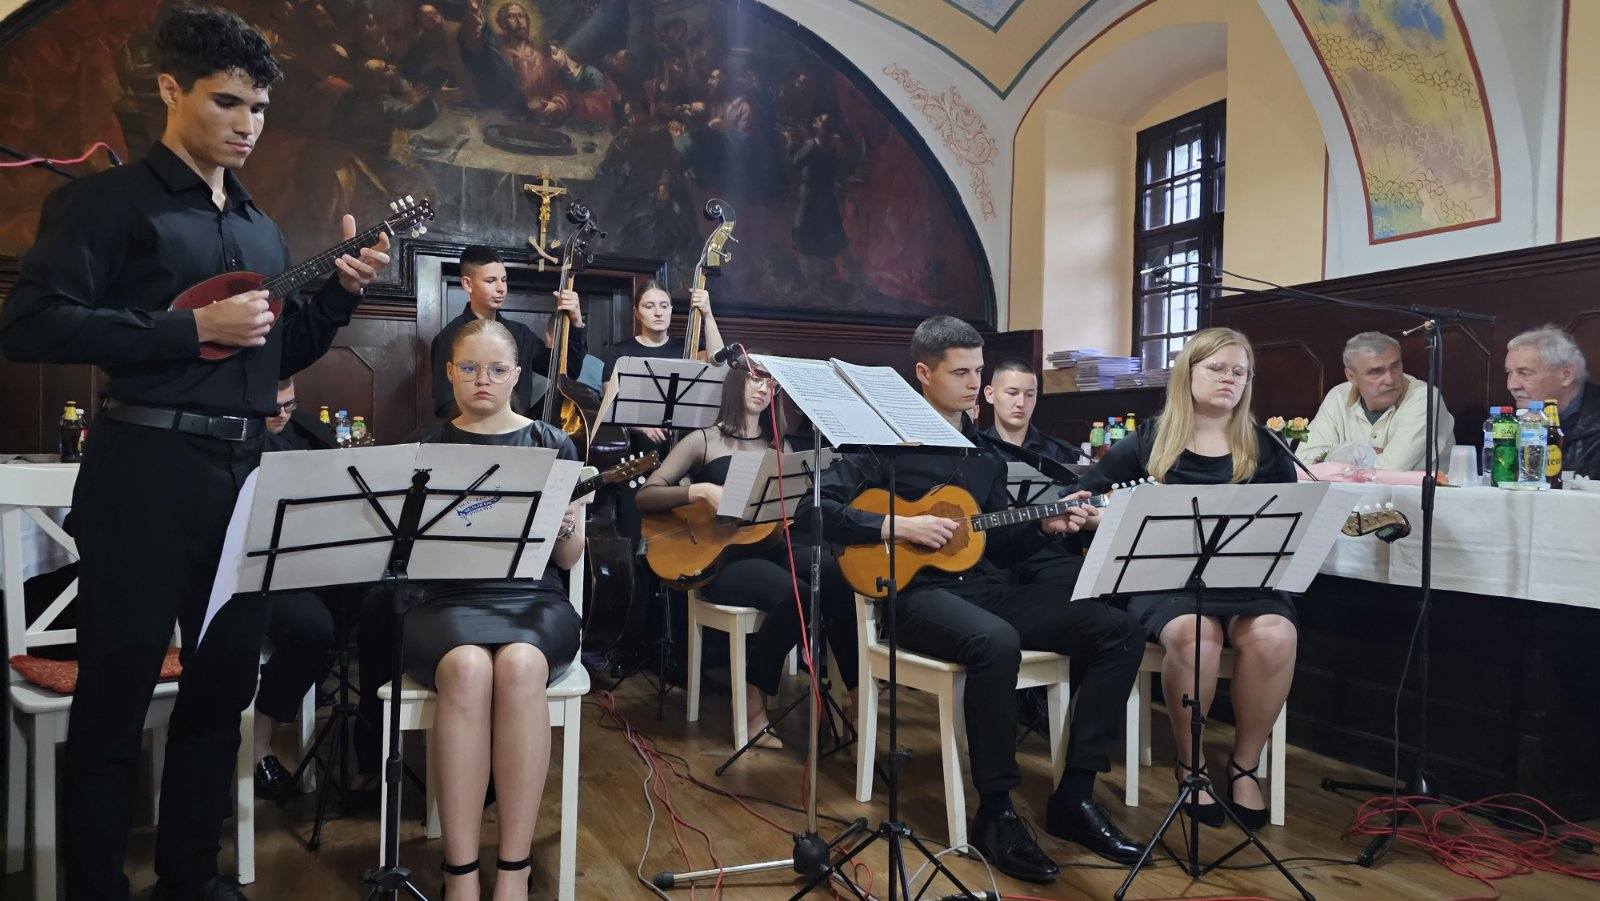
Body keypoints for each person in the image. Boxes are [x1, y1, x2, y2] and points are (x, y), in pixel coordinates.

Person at [0, 7, 391, 899]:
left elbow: (273, 356)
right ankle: (95, 886)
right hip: (143, 473)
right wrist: (188, 328)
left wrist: (337, 297)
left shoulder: (261, 229)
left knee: (220, 693)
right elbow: (28, 324)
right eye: (227, 102)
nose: (248, 125)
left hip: (243, 481)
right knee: (114, 699)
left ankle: (189, 875)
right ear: (170, 90)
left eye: (259, 108)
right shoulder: (106, 203)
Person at [806, 317, 1145, 883]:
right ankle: (997, 810)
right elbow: (815, 510)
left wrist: (1043, 526)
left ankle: (1075, 795)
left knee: (1119, 630)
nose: (973, 384)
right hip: (913, 596)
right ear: (923, 372)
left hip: (986, 588)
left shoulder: (985, 454)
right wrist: (896, 525)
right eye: (960, 372)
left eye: (978, 371)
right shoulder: (882, 444)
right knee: (996, 641)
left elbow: (997, 544)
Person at [1079, 327, 1299, 832]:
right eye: (1216, 368)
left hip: (1247, 581)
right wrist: (1095, 515)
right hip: (1167, 581)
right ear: (1188, 373)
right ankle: (1191, 765)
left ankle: (1245, 765)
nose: (1229, 379)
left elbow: (1288, 518)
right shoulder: (1150, 439)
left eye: (1239, 372)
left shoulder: (1266, 446)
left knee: (1276, 636)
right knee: (1195, 637)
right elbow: (1086, 495)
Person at [407, 318, 586, 897]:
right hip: (446, 600)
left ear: (516, 376)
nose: (482, 379)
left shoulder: (552, 444)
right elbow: (405, 554)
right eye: (469, 368)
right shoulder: (427, 445)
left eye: (496, 369)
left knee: (521, 664)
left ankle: (514, 868)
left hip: (532, 600)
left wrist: (565, 525)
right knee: (465, 667)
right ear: (450, 373)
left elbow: (569, 558)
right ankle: (459, 873)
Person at [634, 358, 858, 746]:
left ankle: (854, 698)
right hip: (723, 559)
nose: (762, 388)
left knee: (836, 573)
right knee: (797, 594)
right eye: (754, 379)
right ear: (735, 383)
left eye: (770, 383)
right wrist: (699, 490)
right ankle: (755, 699)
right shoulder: (704, 440)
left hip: (771, 545)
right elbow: (646, 496)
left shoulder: (780, 446)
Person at [253, 379, 339, 803]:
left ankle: (368, 747)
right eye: (274, 408)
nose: (283, 415)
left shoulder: (304, 428)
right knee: (314, 629)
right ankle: (259, 743)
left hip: (305, 563)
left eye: (290, 405)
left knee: (376, 600)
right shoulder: (231, 433)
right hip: (251, 573)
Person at [430, 245, 585, 421]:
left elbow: (567, 371)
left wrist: (576, 322)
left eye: (503, 280)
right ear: (468, 284)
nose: (501, 288)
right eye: (490, 281)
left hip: (518, 433)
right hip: (470, 434)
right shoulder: (450, 337)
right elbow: (445, 405)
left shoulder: (521, 334)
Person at [980, 358, 1088, 586]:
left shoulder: (1060, 452)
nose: (1021, 402)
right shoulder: (975, 451)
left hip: (1051, 556)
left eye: (1029, 395)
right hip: (994, 557)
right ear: (990, 394)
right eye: (1012, 393)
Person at [1296, 331, 1455, 471]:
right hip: (1347, 494)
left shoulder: (1424, 397)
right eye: (1376, 372)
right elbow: (1305, 462)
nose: (1390, 379)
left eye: (1395, 366)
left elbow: (1391, 469)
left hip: (1418, 496)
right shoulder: (1338, 396)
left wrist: (1336, 458)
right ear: (1352, 376)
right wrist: (1368, 454)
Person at [595, 280, 724, 446]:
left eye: (664, 306)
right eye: (649, 306)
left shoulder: (689, 349)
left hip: (685, 444)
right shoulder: (618, 352)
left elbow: (718, 362)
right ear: (636, 313)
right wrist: (643, 426)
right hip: (636, 446)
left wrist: (708, 314)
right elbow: (611, 404)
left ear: (671, 310)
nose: (658, 313)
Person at [1505, 324, 1599, 477]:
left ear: (1567, 375)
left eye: (1525, 373)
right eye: (1509, 373)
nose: (1511, 385)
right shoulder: (1511, 420)